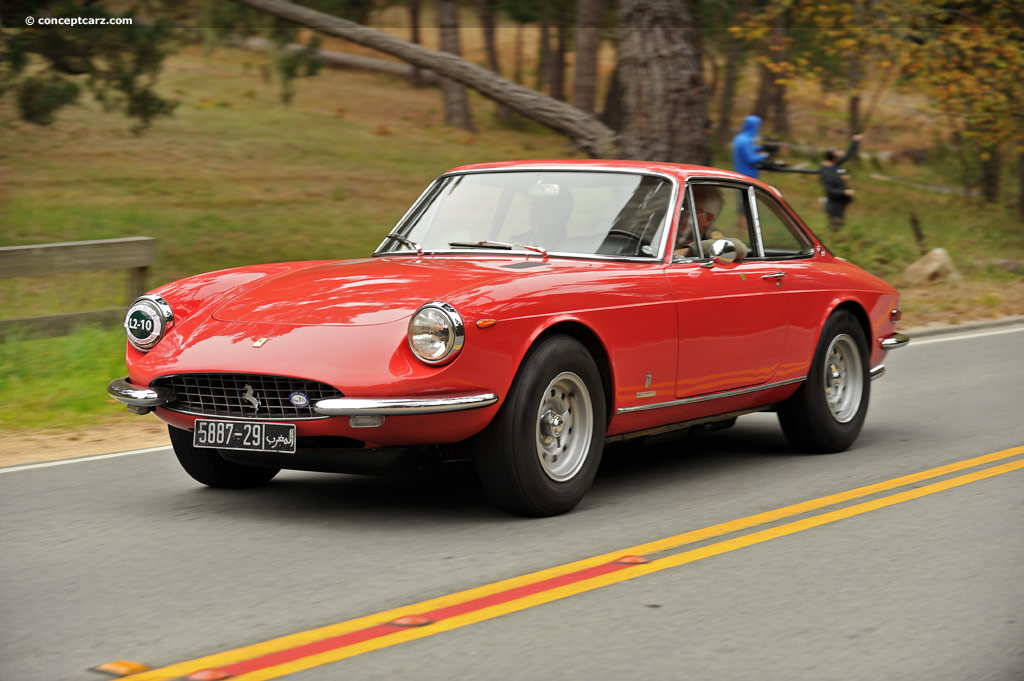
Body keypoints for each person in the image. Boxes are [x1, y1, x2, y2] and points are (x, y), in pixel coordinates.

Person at [674, 185, 749, 261]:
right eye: (681, 207)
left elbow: (740, 248)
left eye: (689, 210)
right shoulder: (665, 230)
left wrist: (688, 251)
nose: (681, 214)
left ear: (708, 219)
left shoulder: (712, 236)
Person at [820, 133, 862, 231]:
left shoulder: (833, 165)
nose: (840, 158)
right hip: (834, 205)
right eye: (838, 156)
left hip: (840, 202)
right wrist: (845, 192)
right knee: (835, 226)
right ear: (833, 158)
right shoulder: (826, 172)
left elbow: (846, 156)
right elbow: (829, 190)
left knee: (839, 226)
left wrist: (854, 141)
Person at [732, 115, 770, 179]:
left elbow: (747, 151)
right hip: (748, 175)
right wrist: (764, 155)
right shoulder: (746, 140)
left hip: (740, 171)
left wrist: (760, 148)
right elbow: (750, 159)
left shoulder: (740, 137)